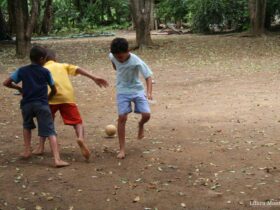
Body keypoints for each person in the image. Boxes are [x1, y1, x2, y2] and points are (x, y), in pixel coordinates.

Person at [33, 49, 109, 160]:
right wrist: (94, 77)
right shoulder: (63, 65)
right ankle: (80, 138)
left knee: (45, 122)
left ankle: (40, 147)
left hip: (49, 98)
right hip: (67, 97)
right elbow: (78, 69)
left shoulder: (41, 69)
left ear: (43, 59)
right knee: (77, 122)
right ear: (55, 58)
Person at [2, 46, 69, 167]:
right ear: (42, 59)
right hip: (42, 104)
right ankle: (57, 159)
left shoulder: (22, 70)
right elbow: (54, 89)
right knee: (50, 131)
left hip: (26, 104)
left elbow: (6, 83)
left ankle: (27, 151)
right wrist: (48, 99)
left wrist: (18, 88)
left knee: (26, 126)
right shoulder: (45, 71)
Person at [109, 38, 153, 159]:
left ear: (128, 51)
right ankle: (122, 149)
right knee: (122, 117)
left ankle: (141, 125)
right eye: (117, 57)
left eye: (121, 57)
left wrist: (149, 93)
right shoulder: (112, 56)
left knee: (146, 115)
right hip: (122, 91)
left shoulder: (136, 61)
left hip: (137, 90)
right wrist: (117, 65)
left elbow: (148, 76)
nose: (119, 59)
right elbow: (114, 63)